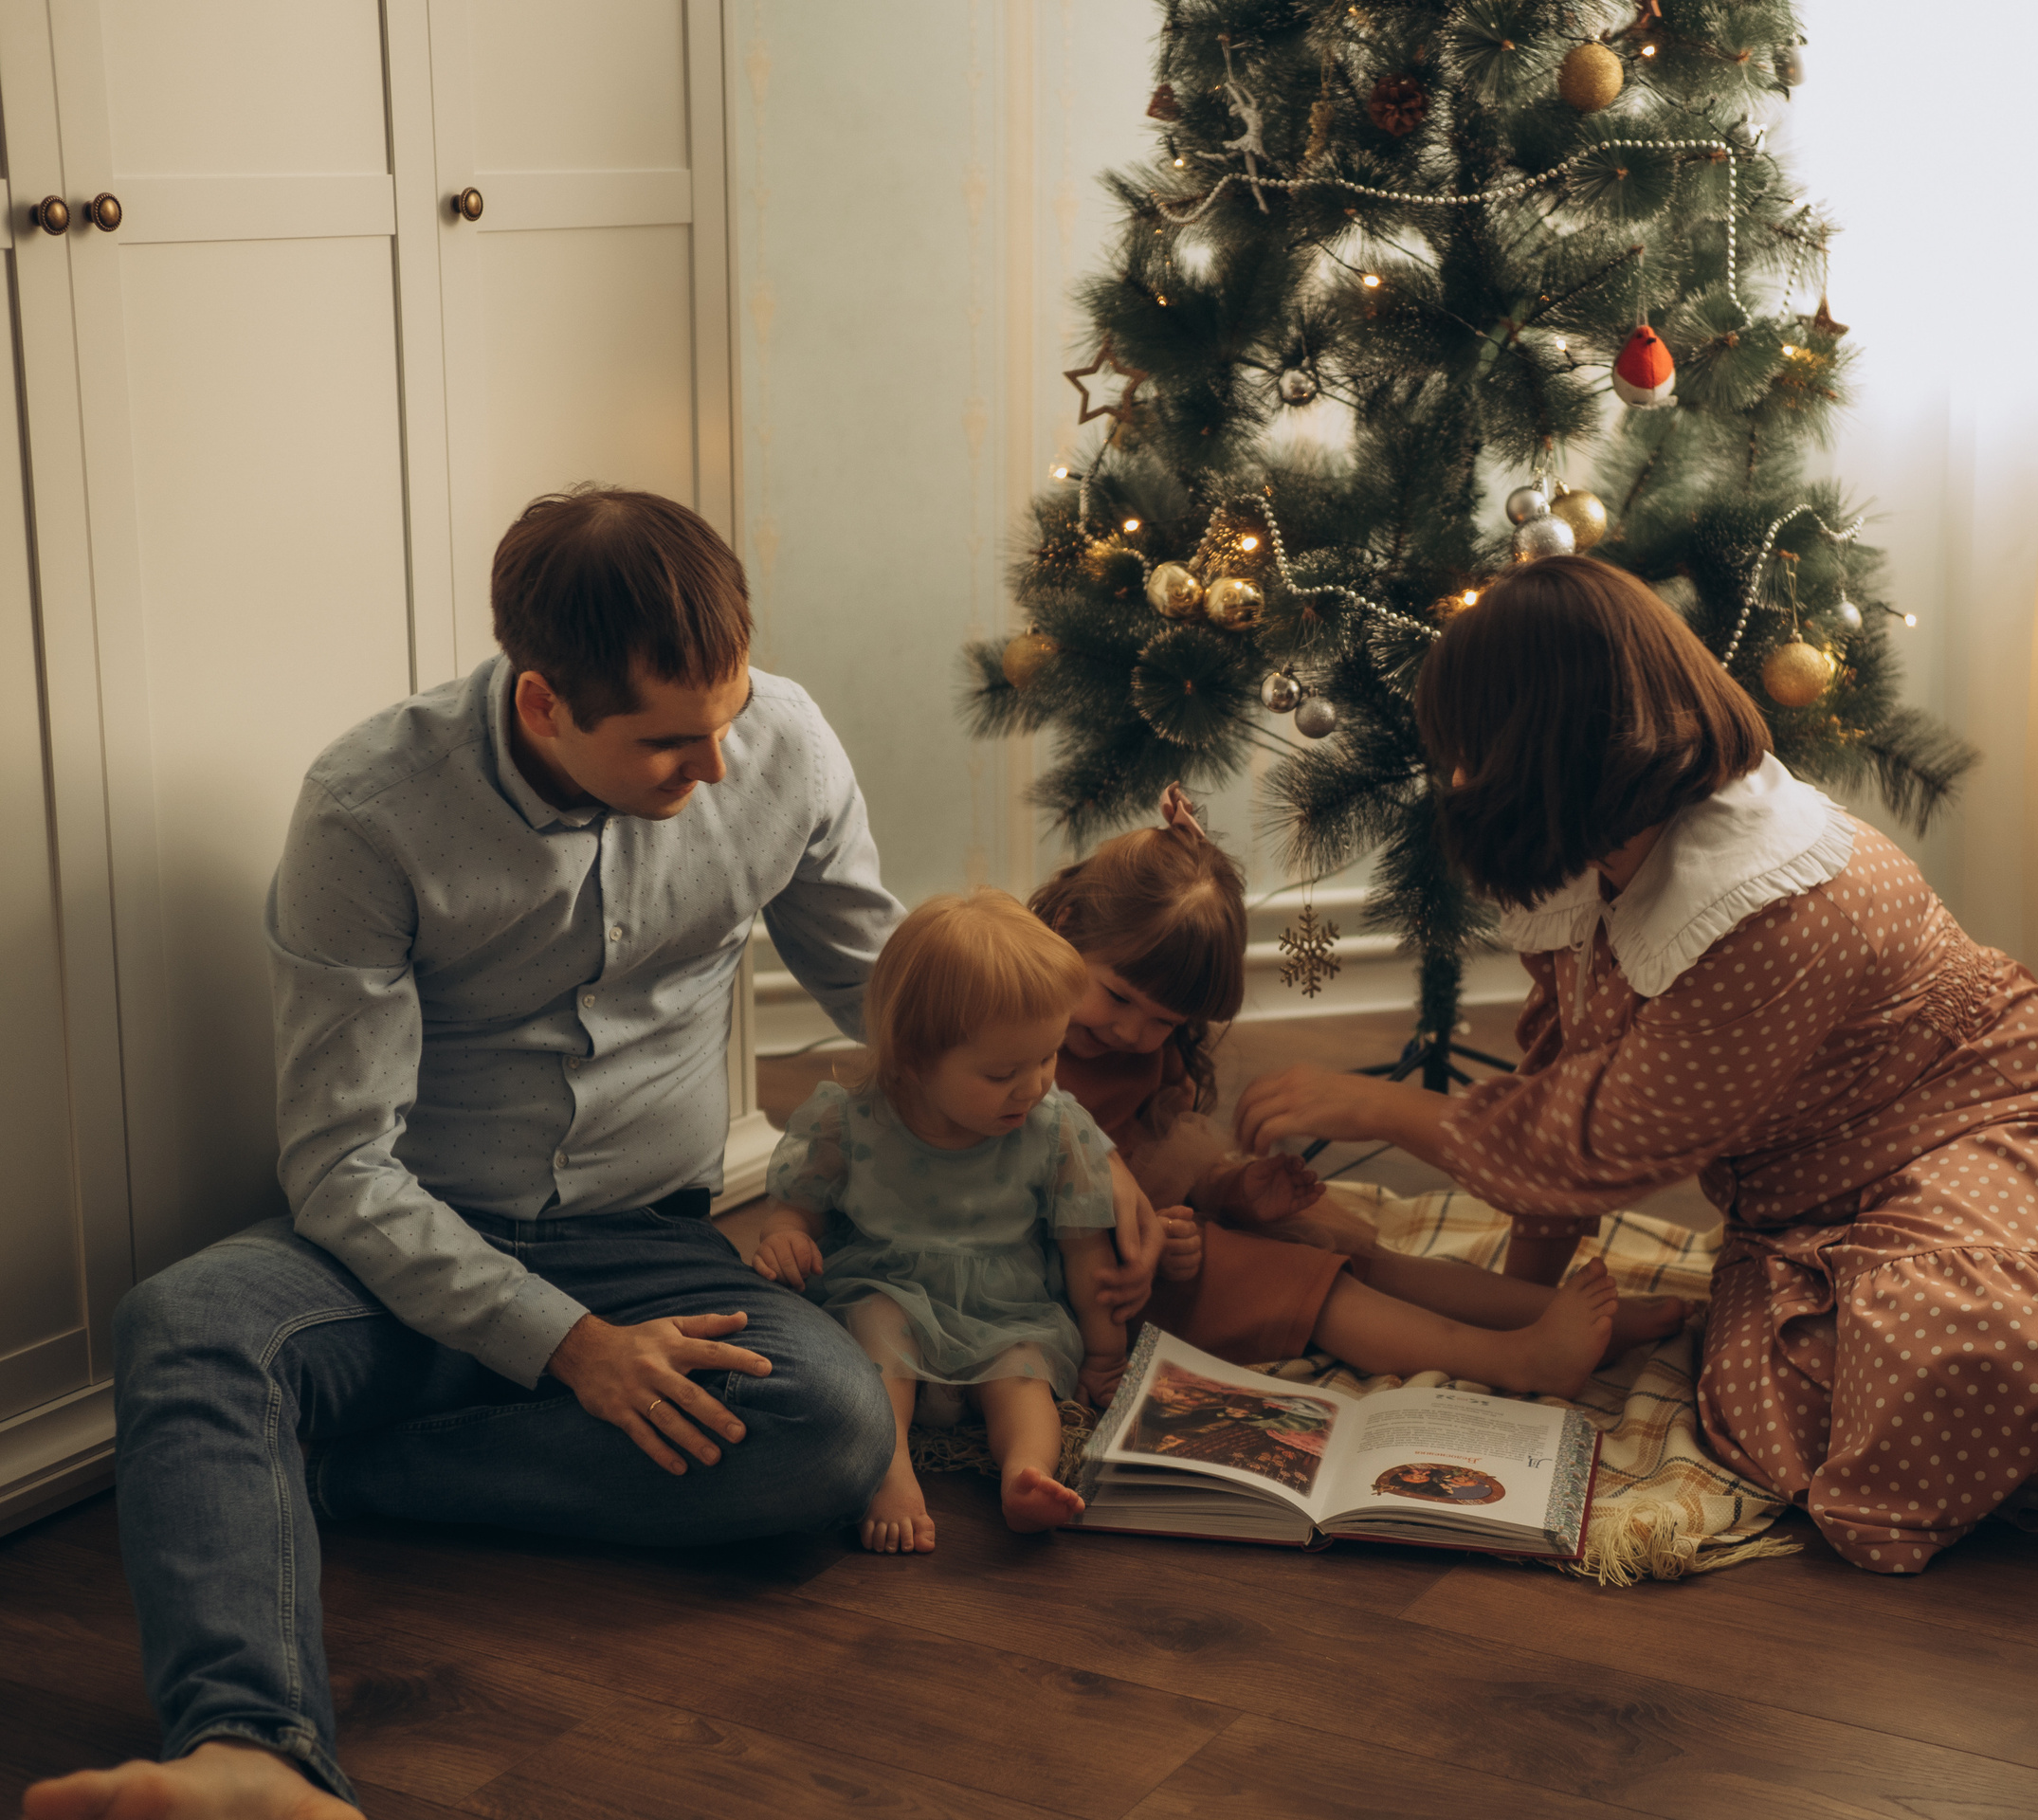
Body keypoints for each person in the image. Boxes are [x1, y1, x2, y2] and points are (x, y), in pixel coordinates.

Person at [24, 488, 1155, 1820]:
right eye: (674, 745)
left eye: (729, 719)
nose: (721, 769)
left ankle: (334, 1470)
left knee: (831, 1424)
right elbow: (340, 1168)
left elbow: (898, 1008)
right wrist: (565, 1348)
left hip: (649, 1241)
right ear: (544, 703)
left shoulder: (777, 743)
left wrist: (1081, 1134)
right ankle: (248, 1752)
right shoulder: (369, 811)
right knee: (187, 1323)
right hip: (404, 1240)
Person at [1231, 555, 2038, 1574]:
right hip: (1821, 1205)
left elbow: (1600, 1140)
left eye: (1465, 752)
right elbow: (1568, 1076)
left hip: (1996, 1130)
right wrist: (1536, 1297)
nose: (1452, 778)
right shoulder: (1598, 856)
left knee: (1953, 1348)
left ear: (1534, 746)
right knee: (1790, 1408)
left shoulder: (1766, 897)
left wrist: (1372, 1105)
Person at [1037, 790, 1692, 1396]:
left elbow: (1159, 1164)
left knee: (1352, 1253)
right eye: (1118, 997)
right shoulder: (1010, 1034)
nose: (1131, 1032)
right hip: (1079, 1274)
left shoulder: (1138, 1053)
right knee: (1299, 1282)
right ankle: (1515, 1361)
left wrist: (1229, 1191)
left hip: (1160, 1238)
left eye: (1164, 1022)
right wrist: (1161, 1232)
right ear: (1066, 924)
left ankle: (1561, 1314)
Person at [745, 890, 1127, 1553]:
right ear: (914, 1059)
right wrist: (786, 1236)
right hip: (885, 1287)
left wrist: (1103, 1350)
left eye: (1048, 1057)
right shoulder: (851, 1121)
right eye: (1003, 1071)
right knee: (877, 1331)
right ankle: (888, 1470)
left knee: (1023, 1373)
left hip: (1006, 1309)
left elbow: (1085, 1248)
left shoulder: (1055, 1130)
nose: (1033, 1086)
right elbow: (795, 1206)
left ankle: (1026, 1472)